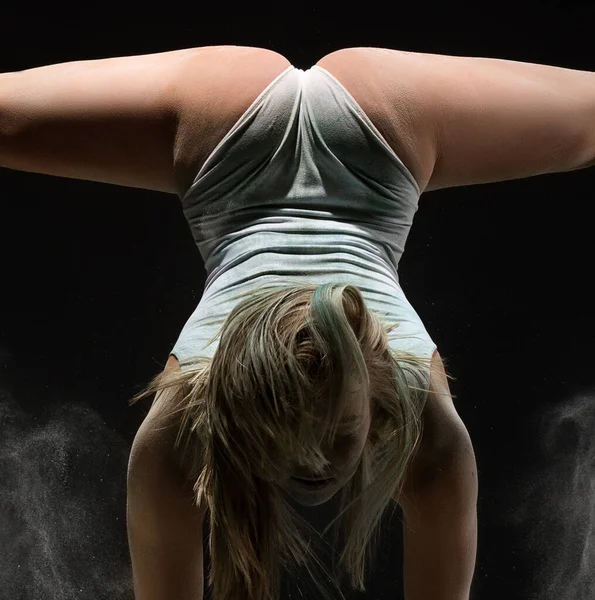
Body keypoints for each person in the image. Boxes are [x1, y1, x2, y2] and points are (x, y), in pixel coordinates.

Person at [1, 44, 593, 600]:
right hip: (370, 129)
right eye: (287, 435)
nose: (317, 465)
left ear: (376, 392)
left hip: (235, 134)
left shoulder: (422, 433)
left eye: (338, 434)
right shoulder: (182, 438)